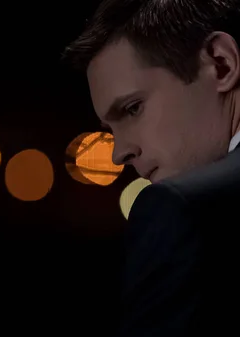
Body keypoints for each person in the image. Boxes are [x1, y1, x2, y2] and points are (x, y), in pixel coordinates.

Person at [62, 0, 240, 336]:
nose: (118, 153)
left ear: (221, 63)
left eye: (132, 109)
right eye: (109, 130)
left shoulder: (179, 210)